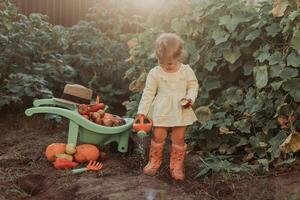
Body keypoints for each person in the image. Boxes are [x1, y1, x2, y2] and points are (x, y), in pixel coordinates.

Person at [136, 33, 199, 181]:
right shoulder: (155, 73)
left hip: (180, 109)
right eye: (161, 62)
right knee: (158, 135)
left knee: (179, 137)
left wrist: (190, 98)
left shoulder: (186, 71)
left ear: (180, 56)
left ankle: (176, 166)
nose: (165, 66)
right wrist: (142, 113)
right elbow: (148, 92)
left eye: (169, 63)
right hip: (161, 110)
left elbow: (193, 86)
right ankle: (154, 161)